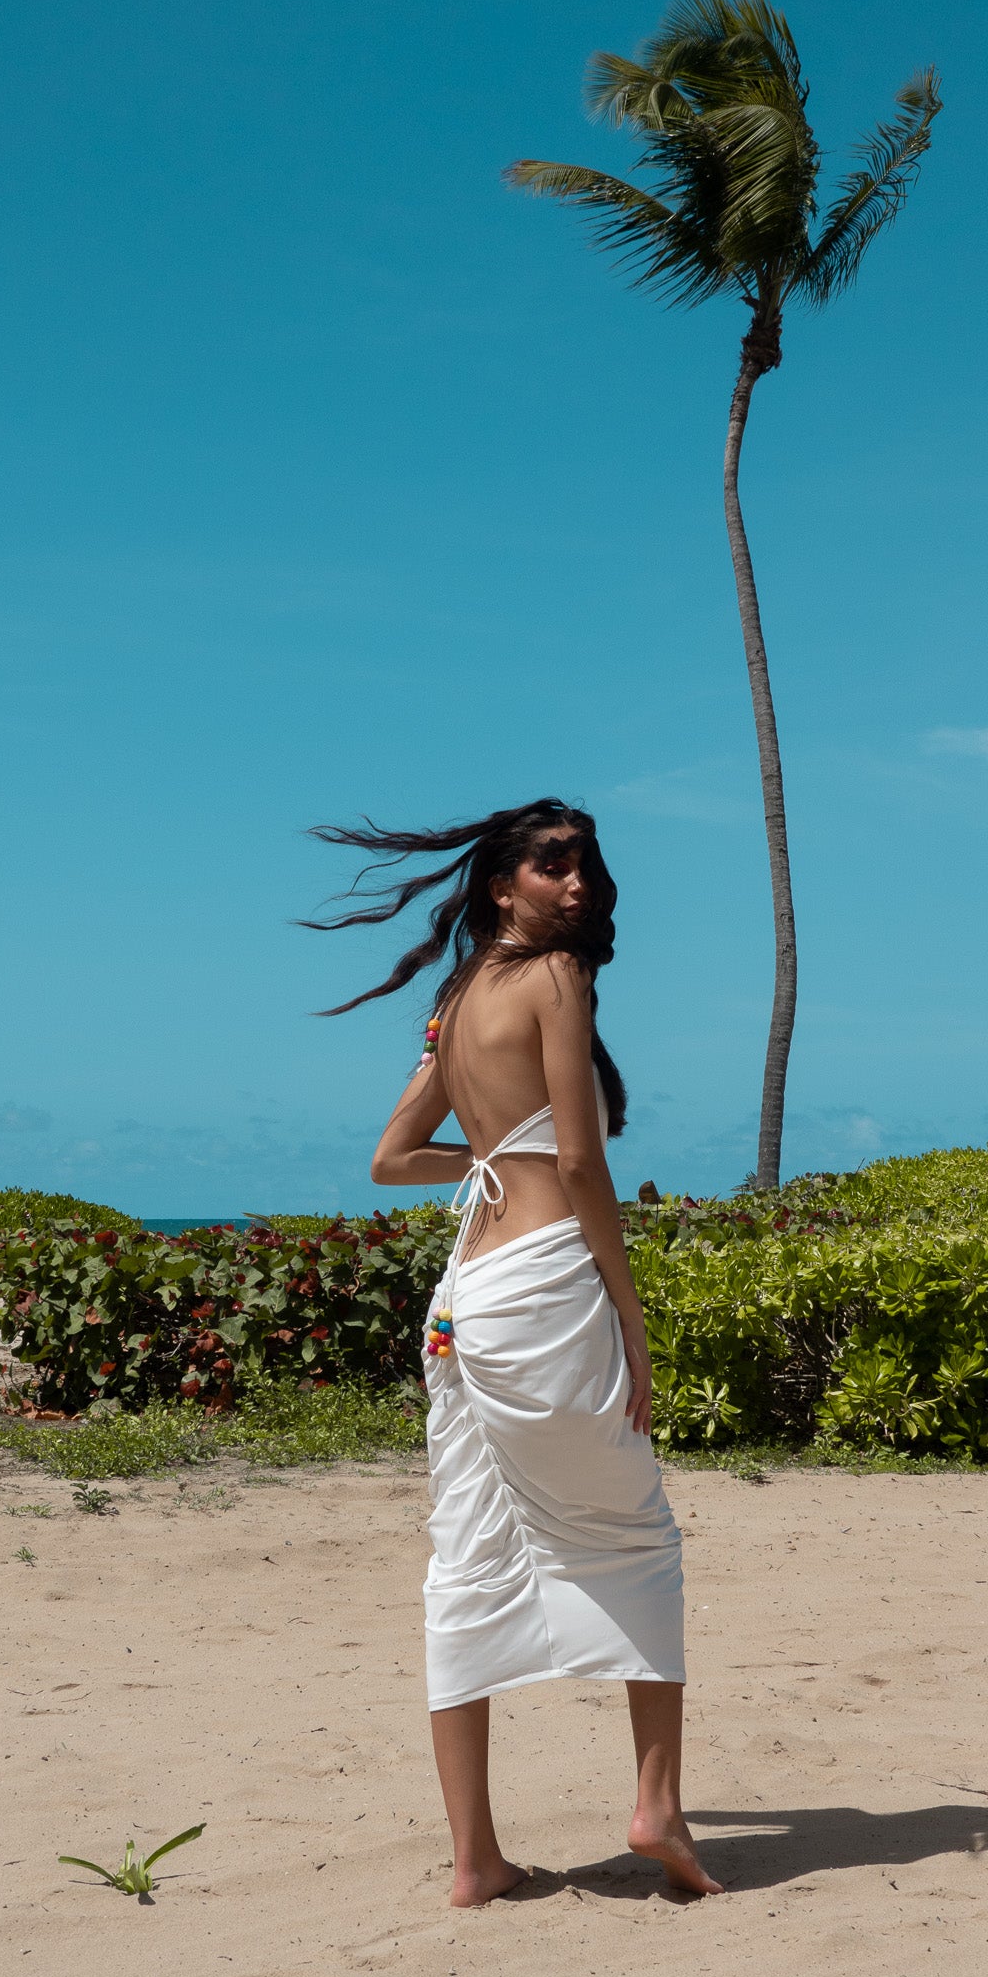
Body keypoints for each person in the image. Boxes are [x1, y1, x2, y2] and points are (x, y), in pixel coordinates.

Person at [305, 799, 723, 1908]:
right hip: (538, 1285)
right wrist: (629, 1316)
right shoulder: (553, 982)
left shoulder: (457, 999)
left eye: (584, 863)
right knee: (634, 1533)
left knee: (470, 1553)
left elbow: (391, 1158)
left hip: (464, 1301)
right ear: (502, 883)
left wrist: (487, 1149)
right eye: (552, 864)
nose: (576, 881)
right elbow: (582, 1166)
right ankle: (656, 1807)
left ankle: (475, 1860)